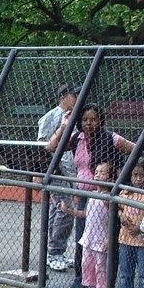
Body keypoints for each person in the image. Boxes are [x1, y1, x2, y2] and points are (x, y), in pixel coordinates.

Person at [45, 103, 135, 288]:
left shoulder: (110, 138)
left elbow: (135, 149)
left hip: (103, 197)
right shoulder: (77, 138)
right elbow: (51, 146)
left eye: (93, 119)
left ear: (100, 120)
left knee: (103, 244)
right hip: (85, 197)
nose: (89, 123)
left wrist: (120, 176)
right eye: (85, 119)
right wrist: (64, 125)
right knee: (83, 241)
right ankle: (83, 283)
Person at [37, 84, 80, 271]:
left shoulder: (75, 116)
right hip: (56, 170)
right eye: (74, 95)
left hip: (71, 170)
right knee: (65, 210)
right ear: (64, 96)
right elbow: (42, 145)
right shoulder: (52, 116)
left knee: (58, 210)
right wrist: (45, 171)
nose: (78, 98)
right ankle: (55, 252)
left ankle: (54, 251)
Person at [59, 162, 111, 288]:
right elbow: (86, 213)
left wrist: (109, 238)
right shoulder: (92, 194)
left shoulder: (108, 198)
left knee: (101, 266)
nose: (99, 175)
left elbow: (113, 218)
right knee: (87, 264)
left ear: (109, 177)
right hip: (89, 236)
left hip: (101, 238)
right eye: (97, 172)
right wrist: (69, 211)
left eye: (103, 173)